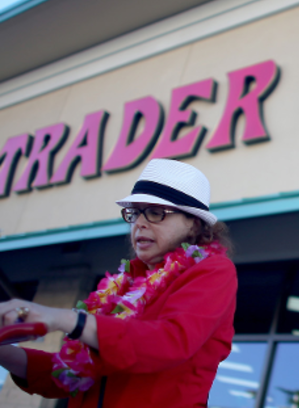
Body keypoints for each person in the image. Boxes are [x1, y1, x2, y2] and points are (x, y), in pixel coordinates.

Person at [0, 159, 237, 407]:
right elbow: (68, 376)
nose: (140, 223)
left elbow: (169, 343)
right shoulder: (122, 284)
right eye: (135, 213)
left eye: (156, 212)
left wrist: (65, 319)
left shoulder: (213, 270)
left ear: (194, 223)